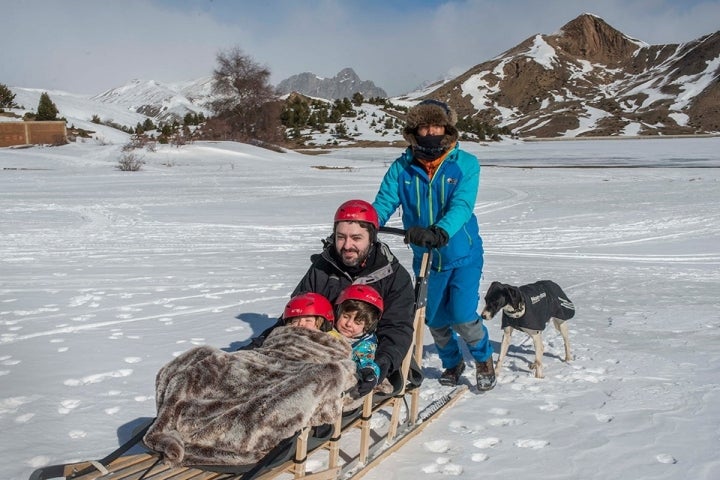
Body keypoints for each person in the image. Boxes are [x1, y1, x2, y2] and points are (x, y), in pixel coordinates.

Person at [372, 99, 496, 391]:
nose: (432, 132)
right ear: (414, 131)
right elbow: (384, 202)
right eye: (425, 126)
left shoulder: (465, 164)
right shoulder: (402, 167)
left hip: (462, 254)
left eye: (437, 126)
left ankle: (483, 358)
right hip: (427, 258)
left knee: (464, 317)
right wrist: (363, 225)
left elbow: (462, 205)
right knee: (434, 320)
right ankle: (453, 363)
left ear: (448, 129)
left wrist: (440, 230)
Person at [243, 199, 415, 397]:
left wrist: (379, 366)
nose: (347, 245)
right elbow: (295, 314)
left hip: (364, 356)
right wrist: (257, 346)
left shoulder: (393, 276)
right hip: (315, 351)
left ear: (372, 238)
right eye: (341, 237)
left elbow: (397, 331)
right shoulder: (323, 266)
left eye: (356, 238)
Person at [329, 284, 384, 395]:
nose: (349, 324)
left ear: (368, 326)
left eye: (357, 322)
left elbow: (365, 359)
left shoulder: (364, 344)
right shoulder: (327, 330)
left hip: (338, 383)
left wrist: (368, 372)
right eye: (345, 316)